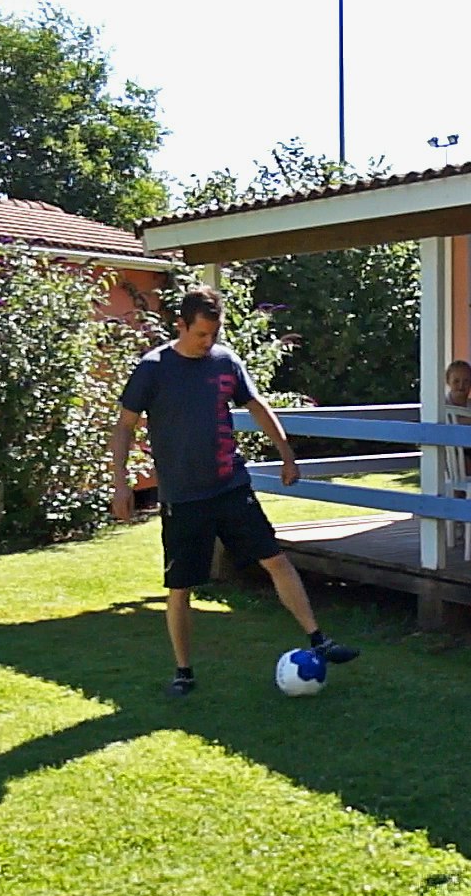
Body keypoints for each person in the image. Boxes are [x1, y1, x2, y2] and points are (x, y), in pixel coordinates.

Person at [111, 285, 359, 698]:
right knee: (180, 588)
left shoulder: (225, 361)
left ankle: (320, 640)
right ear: (180, 325)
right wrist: (121, 483)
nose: (207, 342)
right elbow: (124, 427)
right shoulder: (153, 368)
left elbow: (257, 405)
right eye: (200, 334)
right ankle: (184, 672)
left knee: (275, 559)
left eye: (213, 334)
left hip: (230, 486)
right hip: (183, 497)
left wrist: (286, 453)